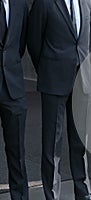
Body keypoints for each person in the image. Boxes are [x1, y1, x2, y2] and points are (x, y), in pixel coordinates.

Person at [27, 0, 91, 199]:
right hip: (54, 79)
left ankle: (83, 192)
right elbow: (34, 42)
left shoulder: (87, 2)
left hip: (82, 78)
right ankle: (52, 195)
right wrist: (47, 69)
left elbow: (84, 39)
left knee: (80, 140)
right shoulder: (44, 3)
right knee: (52, 143)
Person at [0, 0, 28, 199]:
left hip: (13, 86)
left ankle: (19, 196)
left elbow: (22, 44)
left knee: (17, 150)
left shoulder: (20, 4)